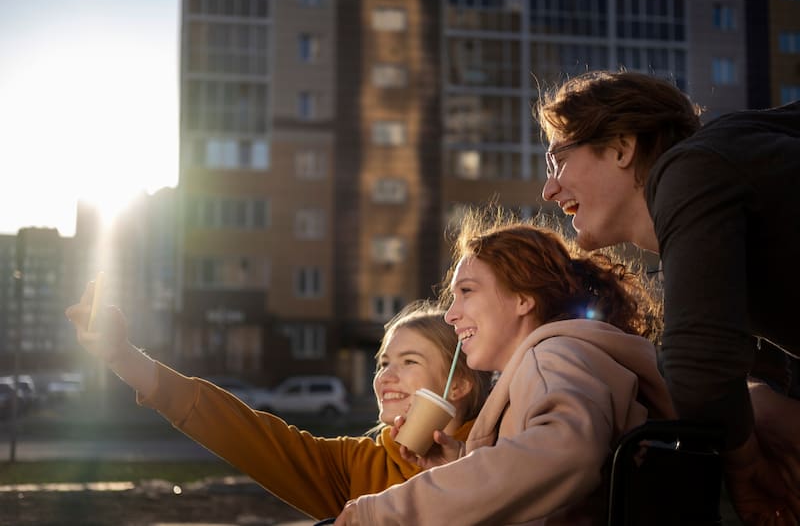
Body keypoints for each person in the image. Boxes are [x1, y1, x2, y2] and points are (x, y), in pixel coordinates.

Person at [536, 70, 800, 524]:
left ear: (621, 146)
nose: (549, 190)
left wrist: (746, 468)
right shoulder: (727, 171)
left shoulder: (692, 168)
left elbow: (700, 364)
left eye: (555, 160)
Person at [333, 212, 675, 525]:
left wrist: (382, 512)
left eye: (467, 291)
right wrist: (462, 463)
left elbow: (566, 453)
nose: (451, 315)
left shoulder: (552, 357)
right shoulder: (562, 358)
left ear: (523, 299)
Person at [65, 294, 492, 521]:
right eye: (382, 363)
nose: (385, 377)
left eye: (409, 362)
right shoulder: (353, 466)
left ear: (457, 383)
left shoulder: (506, 457)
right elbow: (240, 432)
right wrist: (120, 356)